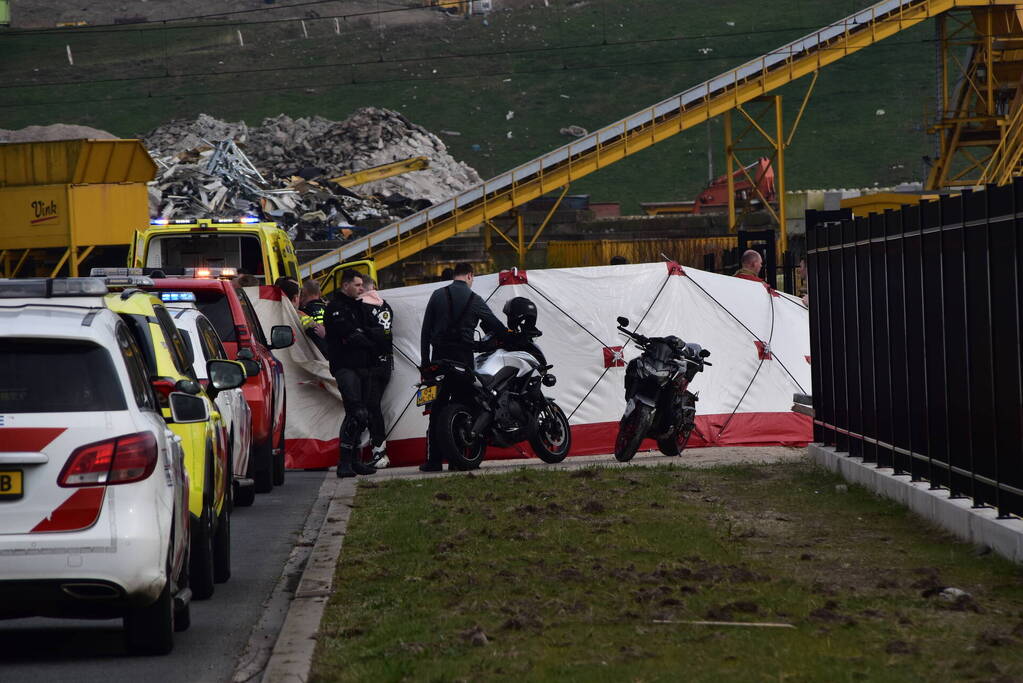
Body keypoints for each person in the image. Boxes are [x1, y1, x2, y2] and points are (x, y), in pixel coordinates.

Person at [419, 263, 506, 472]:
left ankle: (434, 461)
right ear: (469, 275)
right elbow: (496, 327)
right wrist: (505, 337)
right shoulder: (474, 299)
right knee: (467, 406)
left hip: (438, 359)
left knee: (437, 410)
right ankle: (460, 459)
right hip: (462, 359)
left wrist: (425, 364)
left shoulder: (437, 295)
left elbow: (425, 332)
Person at [324, 269, 378, 478]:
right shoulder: (336, 308)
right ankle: (344, 462)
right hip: (345, 366)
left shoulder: (360, 307)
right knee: (356, 413)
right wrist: (365, 336)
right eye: (357, 285)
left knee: (363, 414)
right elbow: (350, 334)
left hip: (363, 366)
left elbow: (376, 331)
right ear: (345, 285)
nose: (362, 288)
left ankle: (355, 460)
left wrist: (366, 335)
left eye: (362, 285)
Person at [358, 275, 394, 468]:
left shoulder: (361, 306)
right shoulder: (385, 305)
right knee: (374, 406)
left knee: (371, 407)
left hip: (370, 364)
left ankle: (379, 452)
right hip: (386, 364)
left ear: (361, 288)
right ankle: (377, 450)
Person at [299, 279, 328, 355]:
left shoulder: (303, 312)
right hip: (331, 350)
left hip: (316, 353)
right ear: (319, 293)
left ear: (304, 293)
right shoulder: (328, 308)